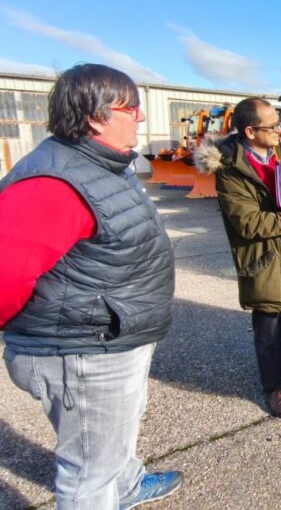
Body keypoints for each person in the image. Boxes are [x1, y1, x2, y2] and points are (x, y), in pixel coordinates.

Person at [0, 63, 182, 509]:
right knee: (88, 470)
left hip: (110, 338)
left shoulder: (103, 164)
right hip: (81, 351)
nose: (141, 116)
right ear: (97, 117)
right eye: (131, 108)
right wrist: (54, 333)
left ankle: (128, 485)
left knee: (115, 437)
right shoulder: (53, 183)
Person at [195, 97, 281, 418]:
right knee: (268, 329)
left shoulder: (277, 151)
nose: (280, 130)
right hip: (263, 259)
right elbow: (250, 224)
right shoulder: (230, 172)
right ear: (250, 131)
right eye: (273, 125)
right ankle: (272, 386)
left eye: (279, 123)